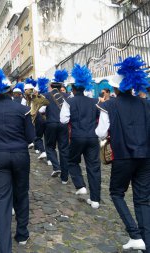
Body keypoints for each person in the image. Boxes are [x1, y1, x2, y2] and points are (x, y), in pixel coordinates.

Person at [96, 55, 150, 252]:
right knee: (142, 199)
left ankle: (135, 234)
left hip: (124, 156)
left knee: (116, 193)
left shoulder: (109, 105)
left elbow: (100, 132)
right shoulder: (146, 104)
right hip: (145, 157)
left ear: (116, 89)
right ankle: (146, 244)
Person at [0, 69, 35, 252]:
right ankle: (22, 234)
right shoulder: (23, 109)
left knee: (2, 200)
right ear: (10, 91)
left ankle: (4, 247)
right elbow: (30, 137)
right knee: (21, 193)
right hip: (20, 155)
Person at [60, 64, 101, 209]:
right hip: (92, 137)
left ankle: (80, 185)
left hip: (77, 136)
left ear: (73, 88)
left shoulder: (69, 101)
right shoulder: (95, 101)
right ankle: (95, 200)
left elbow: (63, 120)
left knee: (72, 161)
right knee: (94, 167)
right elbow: (99, 119)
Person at [40, 69, 70, 183]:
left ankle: (57, 167)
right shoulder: (67, 96)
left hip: (51, 124)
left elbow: (41, 110)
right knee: (64, 149)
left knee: (49, 147)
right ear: (61, 85)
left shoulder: (46, 95)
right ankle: (65, 178)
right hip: (63, 125)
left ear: (51, 86)